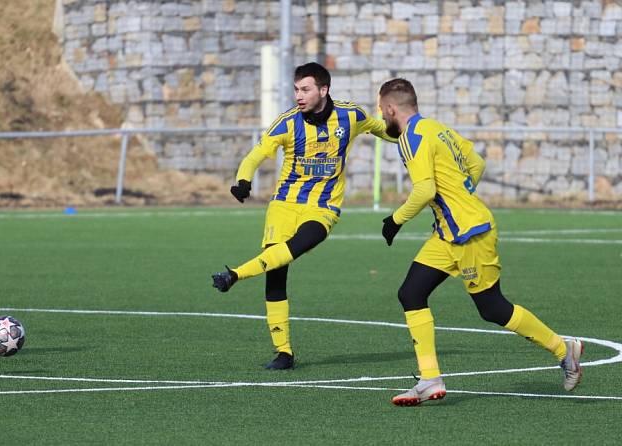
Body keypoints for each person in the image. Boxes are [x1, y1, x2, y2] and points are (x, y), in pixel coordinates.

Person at [377, 78, 583, 406]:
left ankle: (563, 349)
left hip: (470, 233)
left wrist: (395, 220)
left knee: (492, 307)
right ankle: (430, 378)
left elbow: (425, 191)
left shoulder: (409, 139)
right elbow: (477, 163)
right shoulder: (437, 128)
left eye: (381, 110)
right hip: (448, 233)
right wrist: (462, 195)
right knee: (411, 293)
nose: (382, 115)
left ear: (390, 109)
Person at [211, 62, 397, 370]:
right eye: (296, 89)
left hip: (323, 208)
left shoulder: (351, 116)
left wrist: (414, 138)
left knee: (295, 248)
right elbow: (254, 155)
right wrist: (243, 180)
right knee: (276, 272)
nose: (299, 95)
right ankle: (283, 352)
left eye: (305, 89)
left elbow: (386, 130)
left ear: (324, 90)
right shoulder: (287, 123)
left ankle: (235, 275)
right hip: (284, 205)